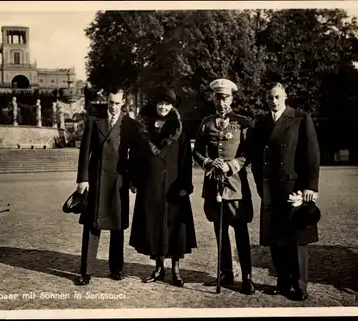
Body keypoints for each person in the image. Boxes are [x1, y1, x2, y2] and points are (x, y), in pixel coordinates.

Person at [248, 82, 320, 301]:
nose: (274, 101)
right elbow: (255, 157)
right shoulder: (261, 122)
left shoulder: (300, 118)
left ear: (285, 96)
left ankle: (300, 285)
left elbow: (312, 154)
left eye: (277, 97)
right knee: (276, 238)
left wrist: (310, 187)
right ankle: (282, 280)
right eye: (270, 98)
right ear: (265, 99)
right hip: (271, 189)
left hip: (294, 188)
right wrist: (262, 186)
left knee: (297, 238)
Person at [192, 78, 256, 295]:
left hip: (235, 185)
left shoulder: (242, 123)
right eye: (218, 97)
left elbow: (249, 153)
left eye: (226, 97)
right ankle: (226, 272)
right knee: (220, 232)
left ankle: (247, 276)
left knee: (240, 230)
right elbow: (197, 151)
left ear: (232, 98)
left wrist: (232, 165)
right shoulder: (206, 123)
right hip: (213, 186)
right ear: (213, 98)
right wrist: (209, 162)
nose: (222, 102)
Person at [128, 88, 197, 287]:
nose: (163, 107)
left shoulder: (178, 127)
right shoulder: (144, 126)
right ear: (155, 104)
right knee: (154, 226)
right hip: (151, 185)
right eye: (160, 103)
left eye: (167, 104)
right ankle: (158, 268)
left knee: (175, 226)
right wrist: (134, 179)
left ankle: (176, 270)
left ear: (172, 106)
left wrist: (185, 184)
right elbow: (136, 156)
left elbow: (186, 158)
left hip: (174, 186)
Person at [75, 87, 136, 286]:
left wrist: (133, 179)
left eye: (117, 103)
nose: (113, 107)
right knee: (92, 226)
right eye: (110, 103)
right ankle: (86, 270)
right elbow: (85, 153)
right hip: (97, 181)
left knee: (117, 226)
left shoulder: (129, 124)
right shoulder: (94, 121)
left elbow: (135, 155)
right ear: (106, 101)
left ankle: (116, 268)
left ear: (123, 103)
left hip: (118, 182)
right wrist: (82, 179)